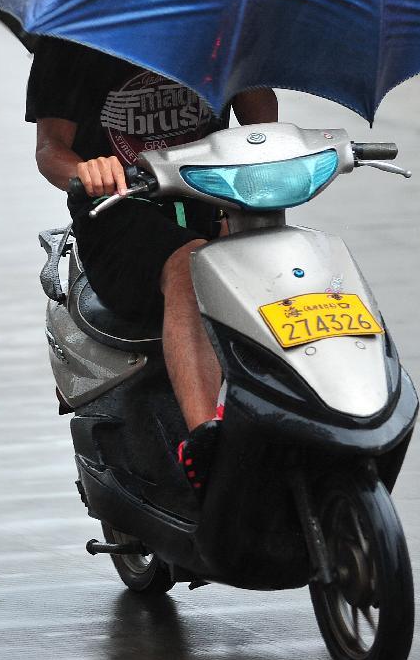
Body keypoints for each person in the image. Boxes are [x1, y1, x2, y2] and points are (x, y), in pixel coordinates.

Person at [27, 37, 277, 491]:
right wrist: (86, 172)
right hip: (117, 217)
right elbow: (51, 151)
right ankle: (206, 442)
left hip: (213, 203)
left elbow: (259, 115)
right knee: (190, 263)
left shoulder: (221, 30)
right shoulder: (72, 41)